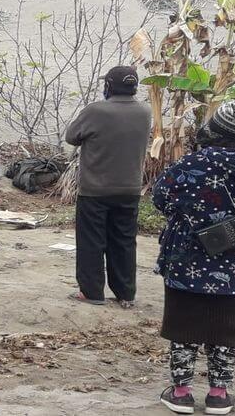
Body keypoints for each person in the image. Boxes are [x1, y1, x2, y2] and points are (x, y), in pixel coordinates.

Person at [154, 100, 235, 415]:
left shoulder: (194, 162)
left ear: (214, 129)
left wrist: (193, 217)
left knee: (183, 323)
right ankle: (219, 394)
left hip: (187, 255)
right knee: (228, 325)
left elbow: (160, 196)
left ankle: (180, 393)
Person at [64, 65, 152, 308]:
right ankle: (125, 294)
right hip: (130, 190)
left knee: (92, 241)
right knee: (124, 241)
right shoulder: (145, 111)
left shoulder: (96, 110)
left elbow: (71, 136)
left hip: (95, 189)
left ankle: (91, 292)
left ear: (108, 86)